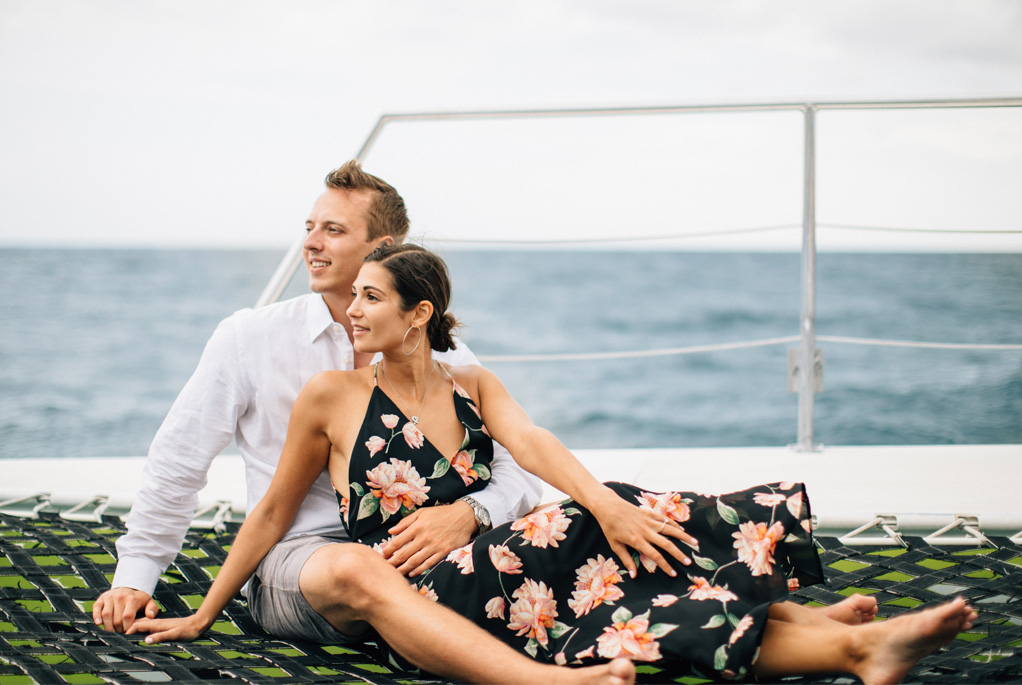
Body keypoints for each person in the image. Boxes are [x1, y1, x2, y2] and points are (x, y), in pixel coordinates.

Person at [127, 244, 976, 685]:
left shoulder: (471, 383)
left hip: (500, 564)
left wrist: (604, 502)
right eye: (354, 297)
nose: (350, 309)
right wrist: (205, 611)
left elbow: (531, 446)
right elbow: (274, 512)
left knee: (623, 536)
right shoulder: (332, 394)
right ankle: (832, 634)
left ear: (419, 313)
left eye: (370, 297)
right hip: (429, 594)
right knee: (604, 563)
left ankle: (852, 645)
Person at [92, 162, 543, 643]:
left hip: (419, 554)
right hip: (302, 559)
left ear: (382, 248)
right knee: (359, 567)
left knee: (569, 529)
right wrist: (135, 577)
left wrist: (469, 513)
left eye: (333, 230)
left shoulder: (440, 356)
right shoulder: (249, 338)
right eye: (309, 227)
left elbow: (519, 465)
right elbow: (179, 459)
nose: (310, 243)